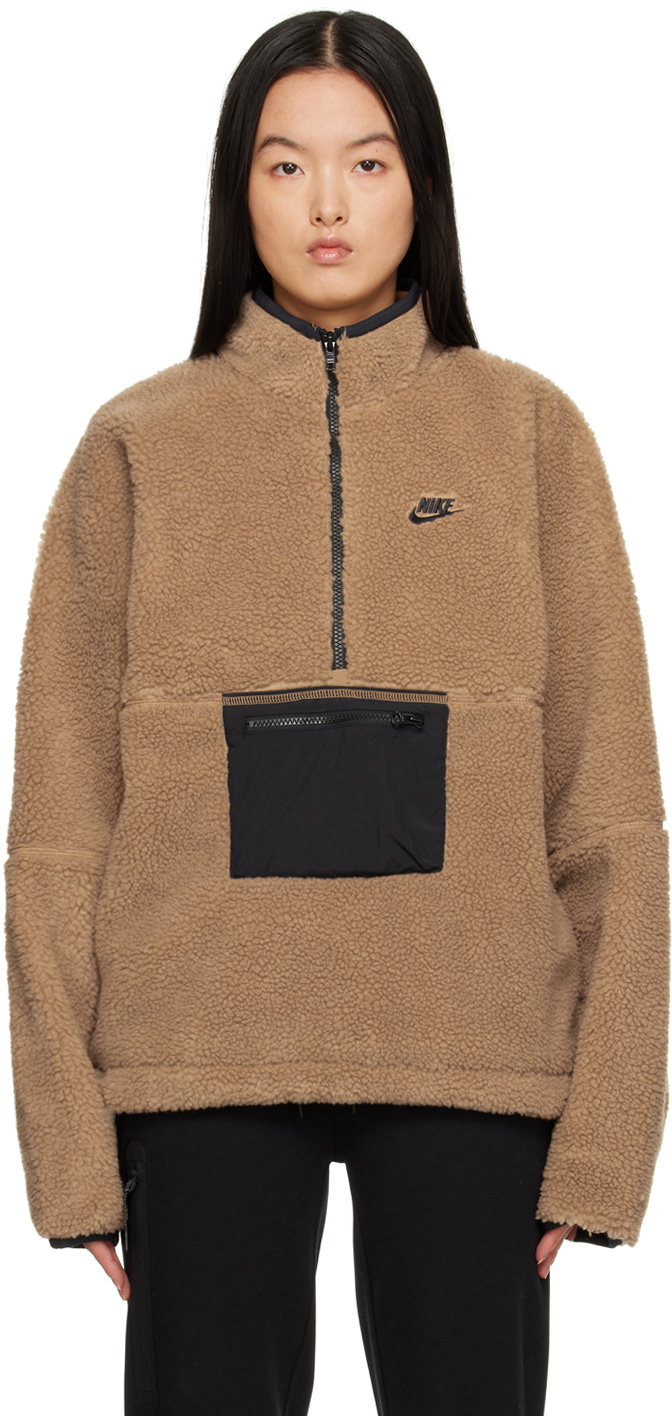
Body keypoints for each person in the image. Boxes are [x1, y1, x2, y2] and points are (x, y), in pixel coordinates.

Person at [4, 9, 669, 1415]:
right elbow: (59, 827)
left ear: (423, 182)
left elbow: (610, 805)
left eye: (367, 163)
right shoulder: (136, 445)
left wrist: (609, 1137)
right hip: (196, 1048)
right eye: (284, 163)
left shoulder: (531, 433)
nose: (326, 205)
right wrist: (66, 1150)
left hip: (477, 1045)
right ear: (234, 190)